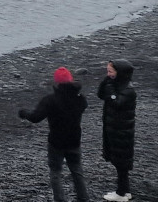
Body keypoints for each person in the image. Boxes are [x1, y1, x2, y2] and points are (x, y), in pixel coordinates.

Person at [20, 66, 91, 202]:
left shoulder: (51, 100)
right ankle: (84, 198)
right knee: (76, 170)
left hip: (56, 142)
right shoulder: (80, 98)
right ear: (70, 80)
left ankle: (60, 199)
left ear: (57, 82)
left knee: (56, 172)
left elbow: (36, 117)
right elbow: (84, 105)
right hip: (74, 140)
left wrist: (24, 113)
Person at [98, 59, 137, 202]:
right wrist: (106, 82)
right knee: (120, 162)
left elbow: (116, 103)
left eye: (110, 71)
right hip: (115, 129)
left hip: (121, 131)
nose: (108, 74)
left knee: (121, 162)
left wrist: (109, 88)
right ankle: (125, 191)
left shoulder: (128, 90)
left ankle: (121, 194)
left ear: (119, 72)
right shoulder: (116, 84)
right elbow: (101, 95)